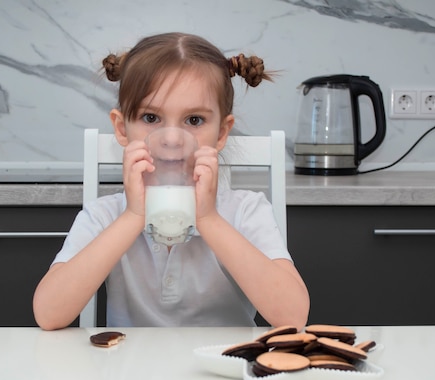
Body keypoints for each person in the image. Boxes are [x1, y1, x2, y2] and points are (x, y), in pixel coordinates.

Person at [33, 32, 309, 330]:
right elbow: (49, 314)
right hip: (130, 370)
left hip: (228, 367)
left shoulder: (245, 210)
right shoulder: (105, 215)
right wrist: (133, 217)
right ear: (121, 128)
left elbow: (292, 316)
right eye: (151, 118)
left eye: (194, 120)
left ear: (221, 133)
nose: (173, 139)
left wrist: (208, 219)